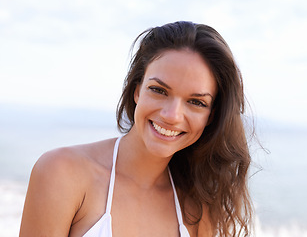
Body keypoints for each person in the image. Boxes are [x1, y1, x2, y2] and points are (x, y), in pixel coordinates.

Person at [20, 21, 253, 237]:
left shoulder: (198, 209)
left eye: (196, 102)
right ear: (137, 90)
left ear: (211, 117)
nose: (171, 116)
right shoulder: (62, 173)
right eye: (159, 90)